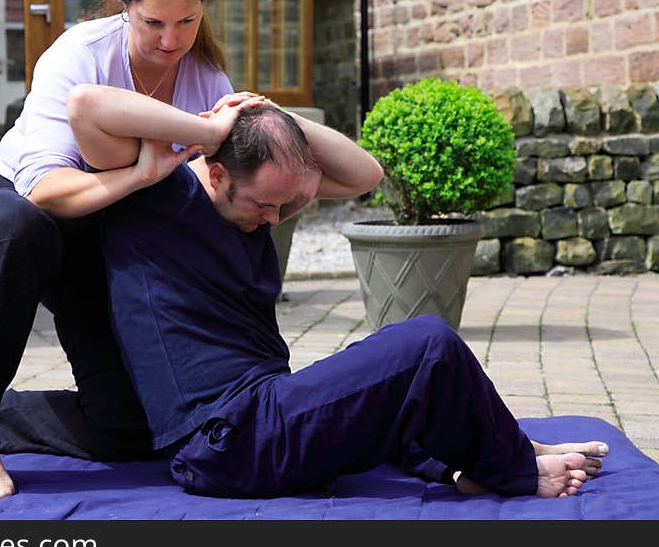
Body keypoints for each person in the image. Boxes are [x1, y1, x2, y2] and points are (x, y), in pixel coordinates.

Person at [67, 83, 610, 499]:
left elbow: (365, 175)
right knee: (426, 345)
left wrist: (272, 116)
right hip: (224, 439)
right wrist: (210, 130)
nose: (273, 219)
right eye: (261, 205)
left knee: (405, 396)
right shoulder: (157, 197)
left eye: (285, 207)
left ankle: (475, 465)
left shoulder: (261, 195)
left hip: (262, 414)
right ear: (215, 173)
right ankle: (514, 466)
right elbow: (87, 105)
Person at [0, 0, 258, 500]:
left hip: (105, 236)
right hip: (19, 214)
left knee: (133, 426)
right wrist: (141, 175)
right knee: (12, 228)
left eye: (186, 22)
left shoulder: (206, 81)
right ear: (124, 5)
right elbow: (45, 191)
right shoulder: (78, 55)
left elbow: (196, 197)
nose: (171, 41)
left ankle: (11, 414)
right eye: (153, 23)